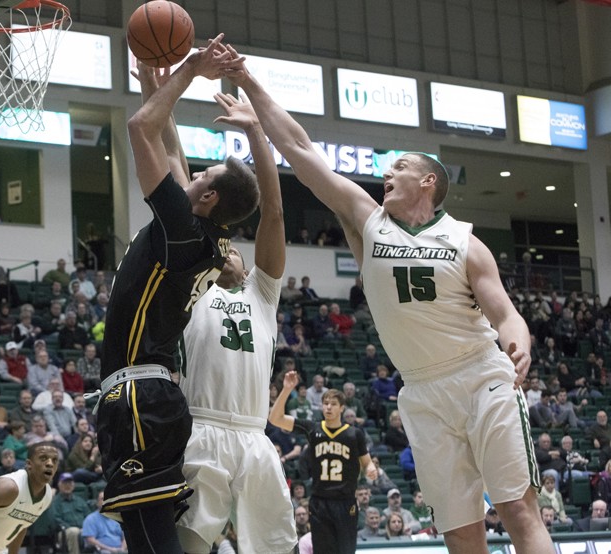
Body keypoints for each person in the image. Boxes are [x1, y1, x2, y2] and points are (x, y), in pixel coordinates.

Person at [235, 56, 553, 553]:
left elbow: (506, 314)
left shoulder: (466, 243)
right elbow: (299, 148)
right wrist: (249, 81)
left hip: (481, 374)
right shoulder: (367, 220)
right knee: (460, 529)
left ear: (429, 182)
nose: (387, 172)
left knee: (517, 508)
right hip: (422, 392)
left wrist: (518, 343)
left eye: (400, 166)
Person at [95, 41, 256, 554]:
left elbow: (142, 129)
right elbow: (174, 154)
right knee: (147, 537)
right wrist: (153, 81)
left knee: (150, 539)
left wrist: (189, 69)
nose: (194, 175)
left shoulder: (183, 233)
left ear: (208, 199)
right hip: (152, 395)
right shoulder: (198, 235)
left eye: (206, 177)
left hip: (141, 398)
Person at [175, 91, 293, 553]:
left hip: (253, 435)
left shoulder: (262, 294)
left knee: (276, 548)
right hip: (199, 429)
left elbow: (275, 213)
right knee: (189, 546)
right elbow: (179, 181)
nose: (226, 252)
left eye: (234, 249)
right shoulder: (193, 288)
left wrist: (255, 132)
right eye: (220, 247)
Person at [270, 370, 377, 554]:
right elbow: (275, 418)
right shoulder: (313, 429)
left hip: (345, 502)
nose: (328, 407)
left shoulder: (354, 434)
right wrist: (287, 389)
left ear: (342, 408)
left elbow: (367, 462)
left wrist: (371, 468)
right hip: (320, 502)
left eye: (333, 404)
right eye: (325, 403)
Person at [51, 472, 93, 554]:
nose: (67, 485)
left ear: (73, 485)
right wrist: (76, 529)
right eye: (65, 483)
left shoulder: (80, 500)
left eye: (70, 483)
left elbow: (89, 517)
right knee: (74, 531)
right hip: (64, 532)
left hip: (83, 529)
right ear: (59, 485)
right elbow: (56, 520)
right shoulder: (55, 502)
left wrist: (86, 528)